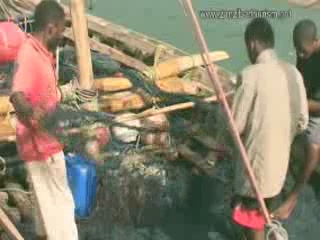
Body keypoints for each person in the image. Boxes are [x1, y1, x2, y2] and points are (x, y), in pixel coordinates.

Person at [231, 18, 308, 240]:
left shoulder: (250, 75)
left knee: (253, 218)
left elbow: (236, 128)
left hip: (255, 173)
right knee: (263, 211)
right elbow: (302, 121)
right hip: (280, 169)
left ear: (252, 44)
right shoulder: (293, 72)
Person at [9, 1, 78, 239]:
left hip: (39, 143)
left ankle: (43, 235)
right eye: (61, 30)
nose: (62, 35)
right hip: (42, 147)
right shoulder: (31, 56)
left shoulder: (38, 51)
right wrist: (29, 113)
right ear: (50, 29)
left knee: (44, 201)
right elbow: (17, 94)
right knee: (60, 205)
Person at [272, 19, 320, 220]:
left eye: (303, 50)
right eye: (297, 50)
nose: (299, 55)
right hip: (306, 103)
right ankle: (277, 175)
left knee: (312, 144)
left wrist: (299, 104)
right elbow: (298, 80)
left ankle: (293, 198)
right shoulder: (304, 54)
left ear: (316, 41)